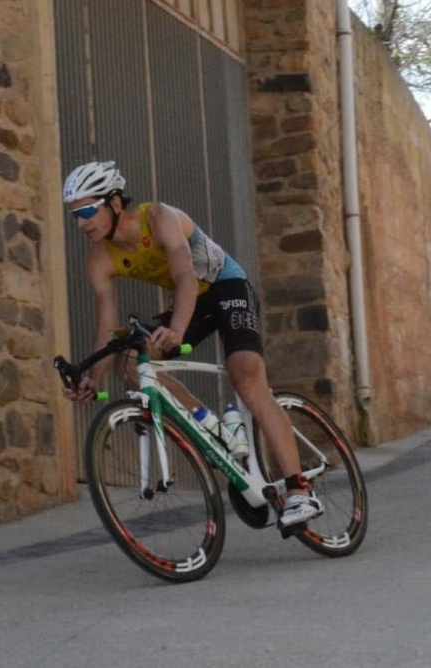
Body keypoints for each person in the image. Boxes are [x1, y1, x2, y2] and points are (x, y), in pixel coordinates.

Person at [59, 160, 322, 528]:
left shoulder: (160, 217)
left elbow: (185, 275)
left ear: (114, 202)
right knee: (131, 365)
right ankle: (213, 428)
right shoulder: (99, 257)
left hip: (225, 288)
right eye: (74, 216)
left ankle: (299, 491)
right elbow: (106, 326)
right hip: (191, 305)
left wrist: (178, 330)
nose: (82, 223)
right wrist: (92, 379)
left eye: (87, 211)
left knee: (245, 376)